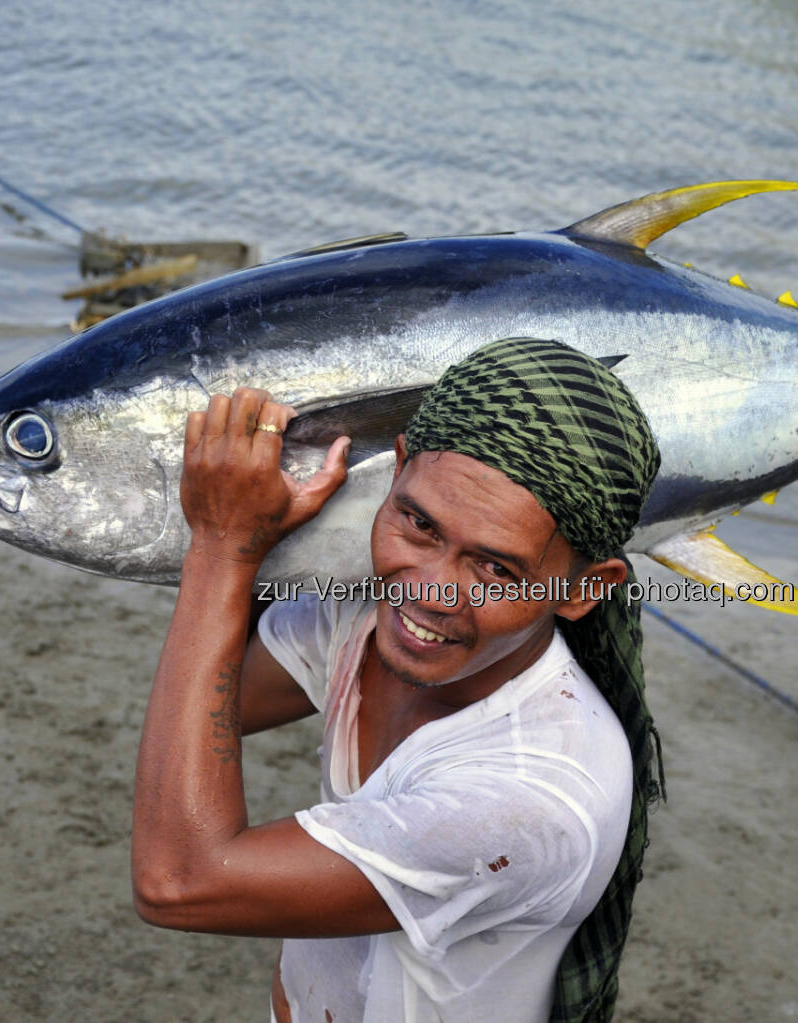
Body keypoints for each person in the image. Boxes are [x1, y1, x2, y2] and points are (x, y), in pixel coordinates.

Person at [130, 338, 665, 1022]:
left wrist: (222, 544)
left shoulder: (531, 797)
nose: (430, 593)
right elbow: (204, 706)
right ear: (399, 468)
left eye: (496, 569)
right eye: (418, 523)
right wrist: (270, 527)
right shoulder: (364, 616)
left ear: (584, 587)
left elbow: (178, 881)